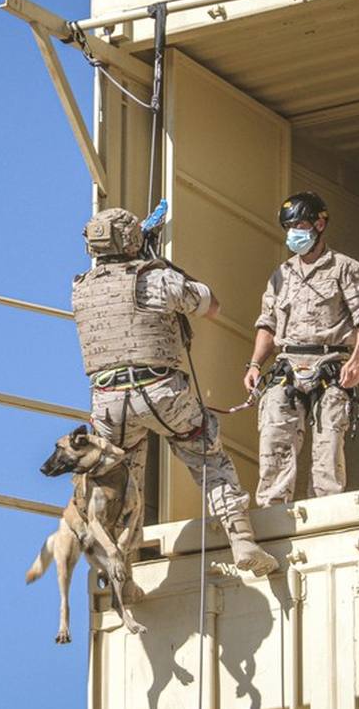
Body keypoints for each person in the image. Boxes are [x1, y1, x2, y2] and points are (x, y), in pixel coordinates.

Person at [72, 208, 277, 576]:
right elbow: (209, 304)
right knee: (209, 459)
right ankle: (243, 541)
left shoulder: (80, 288)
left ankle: (122, 572)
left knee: (121, 485)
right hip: (160, 390)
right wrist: (160, 264)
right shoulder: (154, 280)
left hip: (106, 402)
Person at [242, 192, 359, 505]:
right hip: (287, 366)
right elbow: (267, 324)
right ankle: (272, 510)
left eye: (300, 224)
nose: (294, 232)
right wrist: (253, 365)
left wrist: (357, 361)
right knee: (274, 437)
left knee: (328, 443)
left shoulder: (346, 268)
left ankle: (325, 509)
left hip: (329, 364)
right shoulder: (280, 275)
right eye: (289, 226)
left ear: (319, 224)